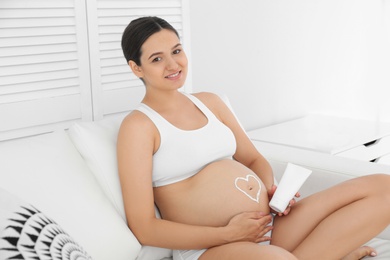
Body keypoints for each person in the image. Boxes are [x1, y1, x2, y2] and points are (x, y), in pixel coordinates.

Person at [117, 16, 390, 260]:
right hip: (210, 247)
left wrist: (271, 192)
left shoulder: (210, 102)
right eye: (157, 58)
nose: (173, 64)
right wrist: (228, 233)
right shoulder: (139, 127)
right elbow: (144, 228)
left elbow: (253, 159)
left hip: (266, 224)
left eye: (177, 51)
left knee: (384, 188)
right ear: (136, 68)